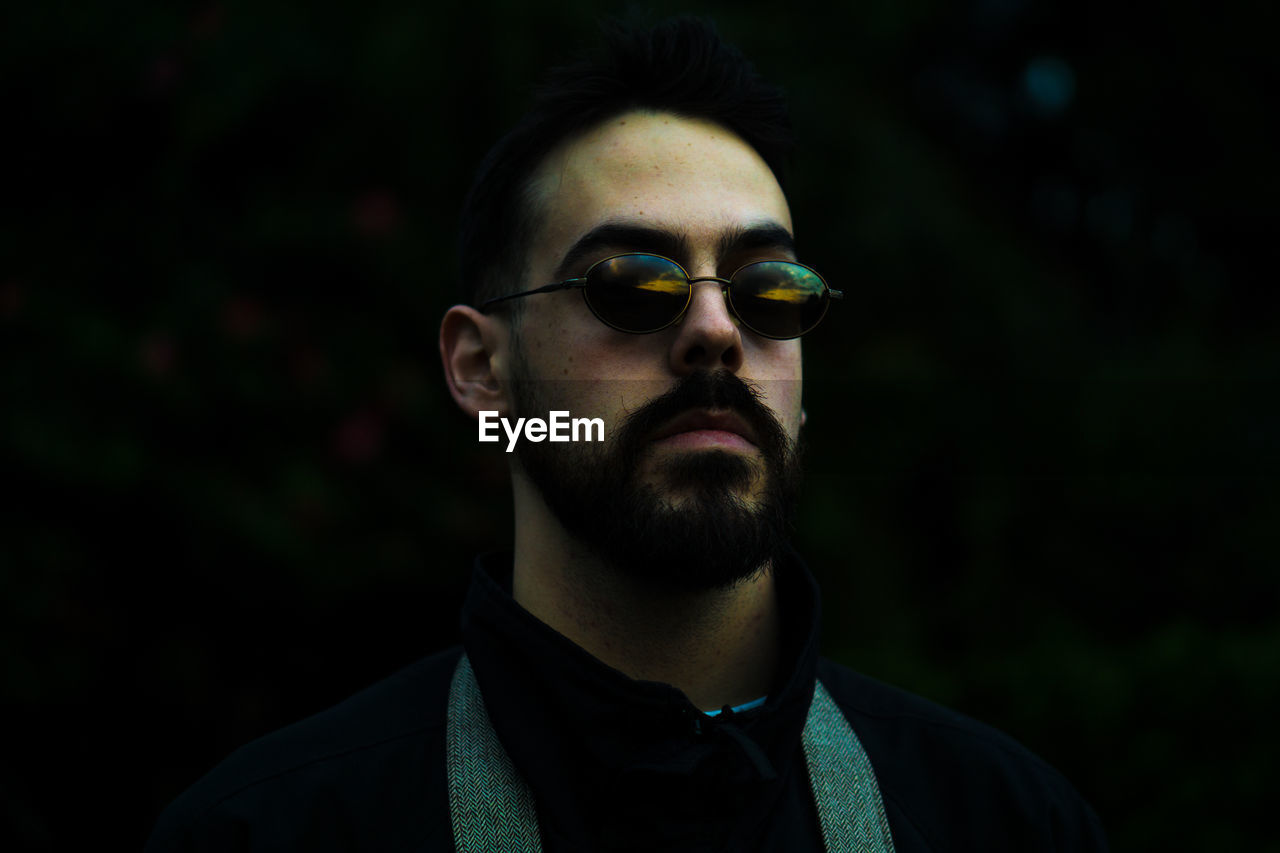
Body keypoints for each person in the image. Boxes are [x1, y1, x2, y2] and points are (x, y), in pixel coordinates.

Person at [147, 17, 1108, 852]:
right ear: (484, 371)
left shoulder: (1007, 826)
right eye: (631, 285)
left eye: (771, 292)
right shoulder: (268, 834)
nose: (716, 332)